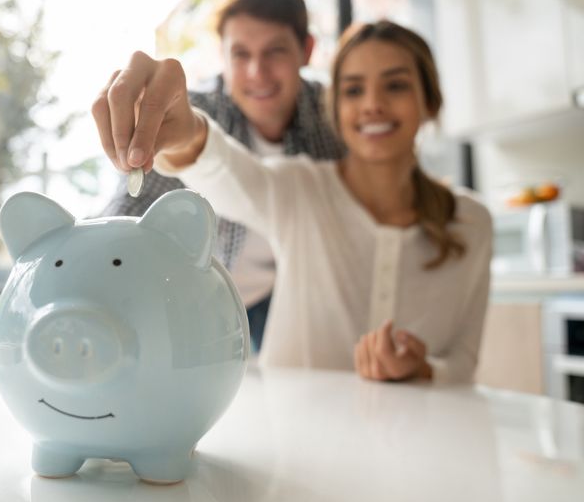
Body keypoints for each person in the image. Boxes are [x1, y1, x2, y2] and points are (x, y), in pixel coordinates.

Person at [92, 20, 493, 384]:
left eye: (395, 85)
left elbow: (463, 363)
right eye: (354, 90)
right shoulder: (301, 190)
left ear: (430, 100)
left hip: (416, 436)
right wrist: (185, 131)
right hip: (292, 437)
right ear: (335, 109)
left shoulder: (472, 222)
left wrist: (422, 369)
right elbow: (224, 169)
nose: (373, 104)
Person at [98, 0, 343, 352]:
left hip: (297, 300)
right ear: (222, 55)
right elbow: (132, 210)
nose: (256, 72)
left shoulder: (334, 116)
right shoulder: (191, 113)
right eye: (240, 54)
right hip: (207, 306)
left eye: (274, 52)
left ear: (306, 50)